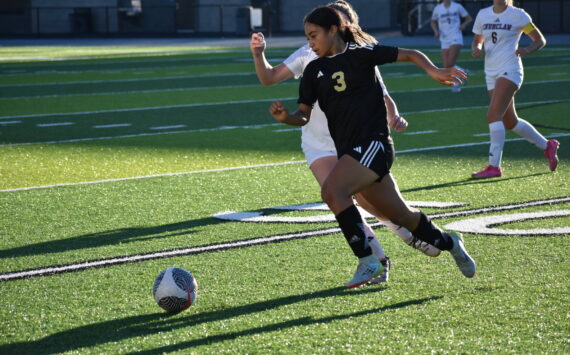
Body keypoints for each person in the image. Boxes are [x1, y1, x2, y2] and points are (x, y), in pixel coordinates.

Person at [268, 6, 476, 288]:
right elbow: (303, 114)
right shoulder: (313, 71)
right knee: (402, 216)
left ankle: (368, 260)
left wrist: (435, 70)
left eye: (314, 35)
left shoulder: (362, 55)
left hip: (373, 144)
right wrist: (286, 119)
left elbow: (410, 54)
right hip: (351, 152)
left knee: (332, 190)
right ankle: (450, 242)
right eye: (307, 37)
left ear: (334, 29)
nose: (310, 43)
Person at [471, 0, 559, 179]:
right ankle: (547, 146)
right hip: (491, 72)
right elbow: (477, 41)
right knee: (510, 121)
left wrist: (528, 49)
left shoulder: (518, 14)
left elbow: (539, 39)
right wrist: (477, 49)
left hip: (510, 70)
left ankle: (494, 166)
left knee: (493, 115)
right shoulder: (483, 14)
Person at [430, 0, 472, 92]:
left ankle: (457, 84)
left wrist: (463, 25)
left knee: (450, 63)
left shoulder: (457, 6)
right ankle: (463, 72)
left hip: (456, 36)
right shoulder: (438, 8)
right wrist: (436, 31)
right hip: (444, 38)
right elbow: (433, 22)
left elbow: (469, 18)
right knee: (446, 66)